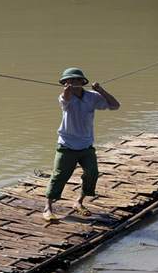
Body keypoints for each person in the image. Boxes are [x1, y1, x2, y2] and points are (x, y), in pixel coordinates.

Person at [43, 67, 120, 222]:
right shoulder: (65, 97)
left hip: (86, 145)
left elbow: (115, 105)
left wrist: (101, 90)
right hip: (67, 145)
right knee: (59, 176)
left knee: (92, 173)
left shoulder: (92, 97)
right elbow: (65, 98)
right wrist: (67, 90)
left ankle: (78, 202)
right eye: (66, 81)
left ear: (81, 82)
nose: (69, 83)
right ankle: (47, 208)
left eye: (72, 80)